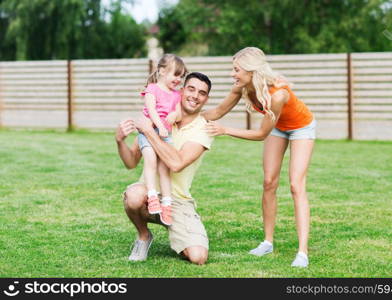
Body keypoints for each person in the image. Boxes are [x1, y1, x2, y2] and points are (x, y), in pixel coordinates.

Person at [203, 47, 316, 268]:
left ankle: (302, 252)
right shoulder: (241, 87)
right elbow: (216, 112)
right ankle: (267, 242)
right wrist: (181, 119)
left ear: (251, 69)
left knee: (296, 185)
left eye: (236, 69)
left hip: (301, 127)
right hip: (277, 127)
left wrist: (225, 130)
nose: (232, 74)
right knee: (268, 182)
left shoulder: (278, 94)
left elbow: (261, 134)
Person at [116, 72, 237, 264]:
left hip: (177, 201)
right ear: (180, 91)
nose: (195, 96)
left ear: (206, 99)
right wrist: (119, 140)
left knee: (198, 257)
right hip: (150, 195)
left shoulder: (203, 128)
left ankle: (179, 235)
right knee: (134, 195)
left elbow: (177, 163)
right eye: (191, 89)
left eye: (202, 93)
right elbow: (131, 162)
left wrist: (149, 131)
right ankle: (143, 236)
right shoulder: (158, 118)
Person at [138, 53, 187, 226]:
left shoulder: (176, 95)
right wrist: (160, 125)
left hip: (165, 135)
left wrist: (175, 115)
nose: (179, 79)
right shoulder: (152, 89)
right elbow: (151, 110)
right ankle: (152, 196)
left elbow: (179, 113)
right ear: (162, 71)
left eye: (181, 76)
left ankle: (166, 203)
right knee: (150, 161)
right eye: (176, 75)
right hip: (149, 132)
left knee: (165, 169)